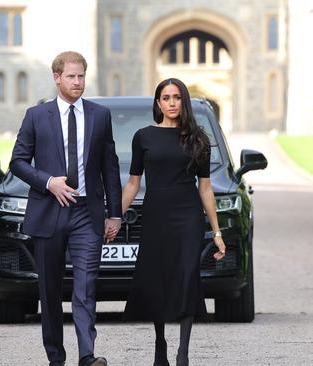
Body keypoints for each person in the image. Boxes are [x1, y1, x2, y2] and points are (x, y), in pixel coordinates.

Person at [10, 51, 122, 366]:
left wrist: (114, 213)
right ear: (57, 77)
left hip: (87, 213)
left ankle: (87, 355)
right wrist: (48, 182)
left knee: (86, 285)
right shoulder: (36, 116)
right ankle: (56, 358)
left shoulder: (100, 115)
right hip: (49, 210)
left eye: (81, 76)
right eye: (71, 76)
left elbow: (109, 167)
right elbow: (17, 162)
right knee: (50, 289)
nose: (77, 82)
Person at [121, 78, 226, 366]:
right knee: (158, 276)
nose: (171, 103)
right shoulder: (143, 137)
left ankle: (183, 352)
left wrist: (216, 232)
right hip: (156, 213)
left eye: (177, 97)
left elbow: (205, 188)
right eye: (165, 98)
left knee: (187, 275)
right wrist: (114, 216)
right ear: (158, 103)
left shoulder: (198, 139)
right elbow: (133, 183)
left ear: (184, 102)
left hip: (188, 215)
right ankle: (160, 343)